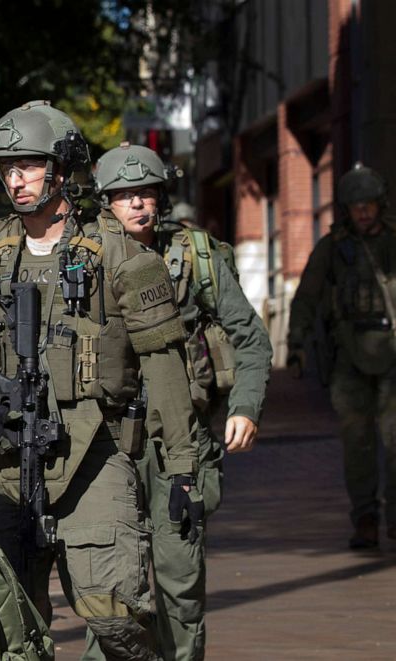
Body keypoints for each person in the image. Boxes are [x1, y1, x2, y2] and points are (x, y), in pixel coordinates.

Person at [0, 101, 200, 660]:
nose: (16, 180)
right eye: (7, 168)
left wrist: (181, 469)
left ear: (61, 168)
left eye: (28, 165)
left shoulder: (122, 257)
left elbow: (164, 365)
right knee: (2, 625)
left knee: (117, 612)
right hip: (4, 458)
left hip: (95, 451)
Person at [87, 143, 272, 661]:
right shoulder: (80, 258)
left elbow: (251, 338)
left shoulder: (197, 255)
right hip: (103, 445)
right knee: (106, 591)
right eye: (125, 197)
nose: (139, 206)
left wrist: (245, 406)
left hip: (180, 444)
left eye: (147, 193)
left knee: (179, 583)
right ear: (106, 202)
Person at [287, 162, 396, 550]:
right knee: (358, 442)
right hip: (349, 356)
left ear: (380, 204)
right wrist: (296, 344)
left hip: (393, 353)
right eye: (356, 205)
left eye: (369, 204)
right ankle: (365, 516)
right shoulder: (333, 249)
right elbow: (307, 298)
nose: (363, 211)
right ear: (346, 209)